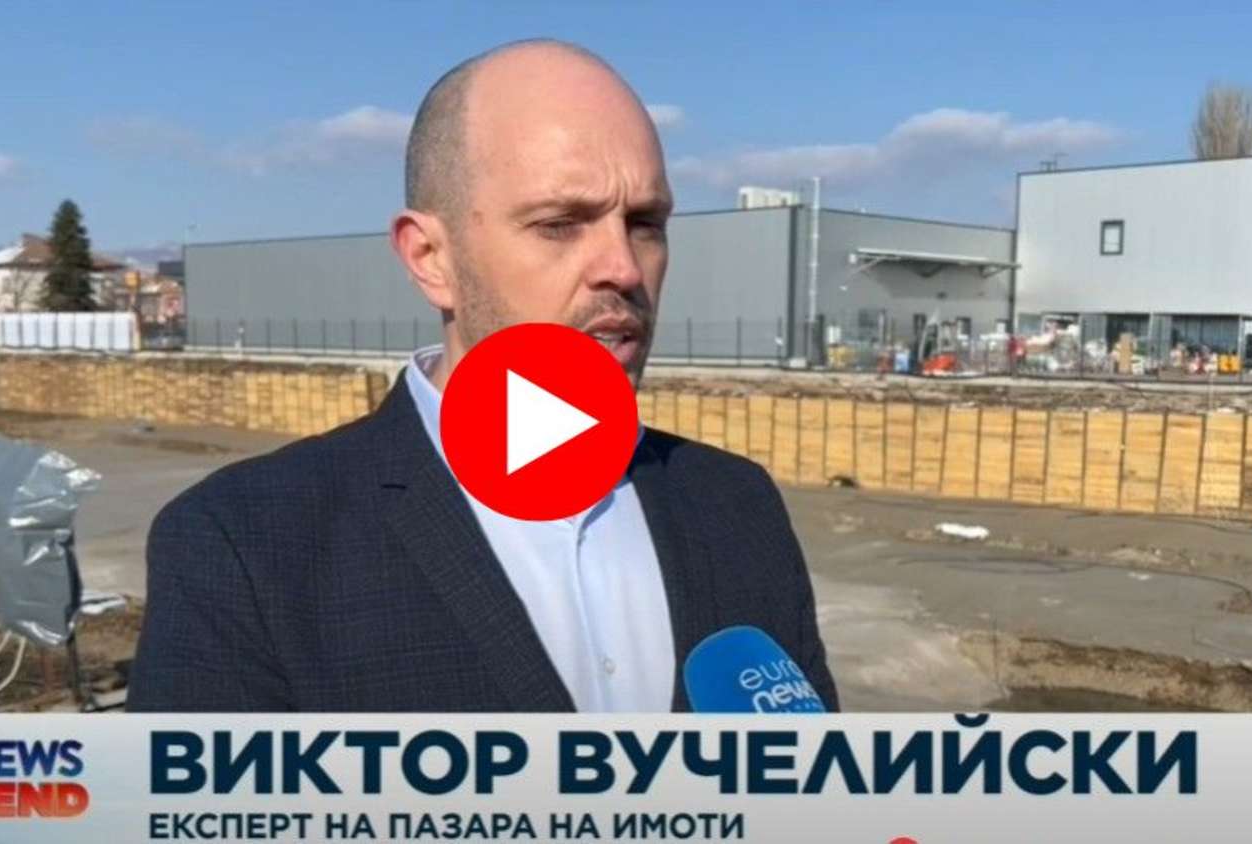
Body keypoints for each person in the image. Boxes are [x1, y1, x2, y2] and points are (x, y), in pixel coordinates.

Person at [128, 39, 837, 712]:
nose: (623, 267)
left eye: (645, 222)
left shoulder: (736, 506)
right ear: (430, 259)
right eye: (560, 223)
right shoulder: (245, 545)